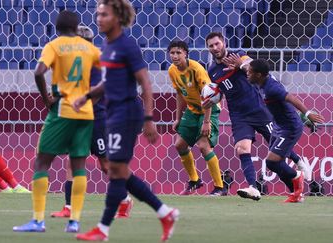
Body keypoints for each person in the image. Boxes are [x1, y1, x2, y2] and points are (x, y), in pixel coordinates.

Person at [73, 1, 179, 241]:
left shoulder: (127, 45)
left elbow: (145, 83)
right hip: (113, 113)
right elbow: (108, 82)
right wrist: (88, 96)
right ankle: (165, 212)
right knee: (118, 170)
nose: (99, 18)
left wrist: (149, 118)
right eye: (97, 14)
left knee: (116, 170)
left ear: (118, 18)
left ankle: (103, 228)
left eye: (104, 14)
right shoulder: (107, 46)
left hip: (128, 113)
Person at [12, 10, 101, 233]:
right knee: (79, 165)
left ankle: (38, 221)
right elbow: (109, 80)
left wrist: (46, 99)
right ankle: (74, 222)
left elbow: (39, 72)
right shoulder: (92, 49)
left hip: (62, 109)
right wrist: (90, 98)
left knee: (42, 162)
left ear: (57, 27)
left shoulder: (54, 45)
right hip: (86, 113)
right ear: (76, 27)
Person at [203, 32, 310, 201]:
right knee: (242, 148)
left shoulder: (237, 54)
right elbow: (221, 91)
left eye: (217, 44)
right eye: (211, 45)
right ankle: (253, 187)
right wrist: (212, 100)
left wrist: (240, 65)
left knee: (277, 151)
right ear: (207, 48)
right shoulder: (212, 71)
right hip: (239, 115)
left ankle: (297, 166)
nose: (215, 48)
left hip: (259, 110)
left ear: (224, 43)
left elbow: (251, 66)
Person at [51, 25, 133, 219]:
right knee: (73, 162)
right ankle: (69, 208)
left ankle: (125, 198)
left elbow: (98, 92)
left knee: (105, 165)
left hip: (96, 119)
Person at [246, 59, 324, 202]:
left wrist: (307, 114)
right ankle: (297, 195)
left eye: (250, 72)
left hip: (290, 128)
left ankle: (297, 176)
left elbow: (292, 98)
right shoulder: (262, 80)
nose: (247, 74)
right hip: (279, 126)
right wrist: (238, 63)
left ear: (258, 75)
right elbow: (246, 65)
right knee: (277, 164)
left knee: (272, 162)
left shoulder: (272, 88)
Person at [166, 40, 224, 196]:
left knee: (204, 146)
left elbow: (210, 96)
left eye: (178, 52)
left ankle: (219, 187)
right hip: (192, 110)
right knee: (179, 145)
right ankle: (194, 180)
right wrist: (177, 118)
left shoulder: (197, 69)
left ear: (186, 53)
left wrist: (206, 122)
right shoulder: (172, 70)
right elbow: (179, 93)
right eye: (172, 53)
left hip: (209, 109)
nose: (175, 56)